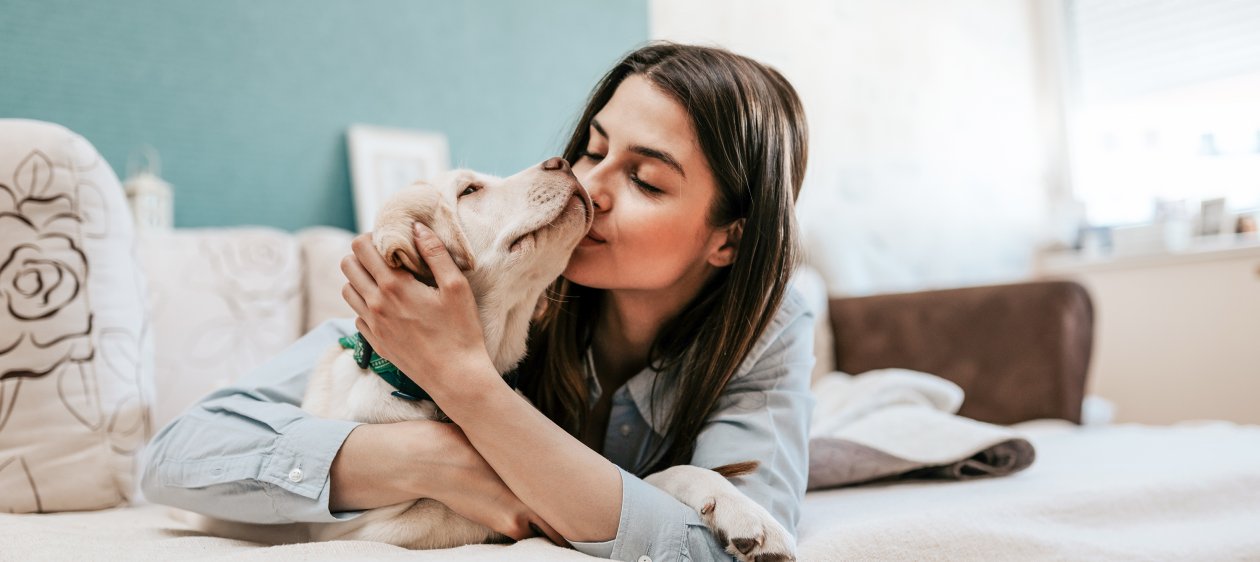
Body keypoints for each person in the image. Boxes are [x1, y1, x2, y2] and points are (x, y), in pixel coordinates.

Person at [141, 42, 815, 561]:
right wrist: (439, 458)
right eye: (593, 148)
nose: (589, 184)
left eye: (643, 178)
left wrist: (466, 385)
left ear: (729, 240)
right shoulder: (485, 290)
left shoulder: (768, 328)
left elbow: (727, 546)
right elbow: (176, 457)